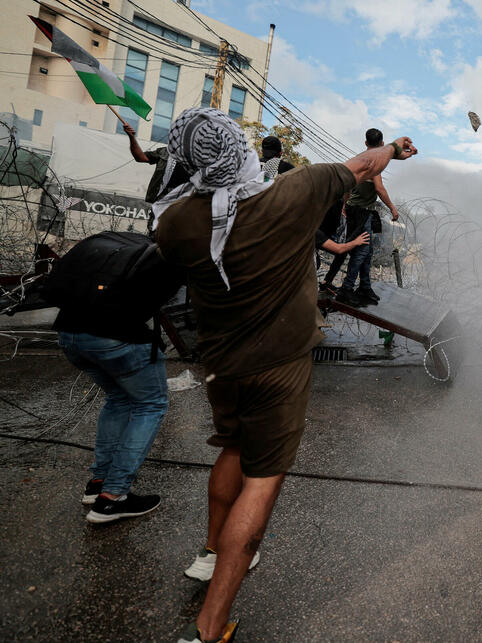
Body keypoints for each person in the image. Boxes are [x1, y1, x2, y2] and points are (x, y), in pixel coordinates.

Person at [153, 107, 416, 643]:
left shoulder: (176, 223)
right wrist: (396, 149)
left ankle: (211, 551)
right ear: (238, 149)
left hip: (222, 365)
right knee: (262, 481)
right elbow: (365, 165)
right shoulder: (296, 192)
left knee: (232, 447)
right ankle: (209, 626)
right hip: (280, 370)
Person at [50, 234, 183, 524]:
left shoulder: (116, 246)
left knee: (119, 398)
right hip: (116, 340)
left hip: (70, 336)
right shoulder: (165, 257)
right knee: (151, 405)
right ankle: (113, 497)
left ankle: (97, 483)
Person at [334, 128, 400, 307]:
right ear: (381, 144)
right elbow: (379, 188)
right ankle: (346, 289)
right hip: (361, 211)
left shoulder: (359, 159)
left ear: (365, 143)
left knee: (367, 250)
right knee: (362, 251)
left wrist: (345, 205)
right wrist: (393, 208)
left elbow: (348, 184)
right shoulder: (375, 161)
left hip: (356, 209)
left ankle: (364, 286)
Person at [123, 123, 190, 204]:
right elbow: (140, 157)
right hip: (161, 201)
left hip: (184, 204)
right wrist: (131, 137)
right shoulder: (165, 152)